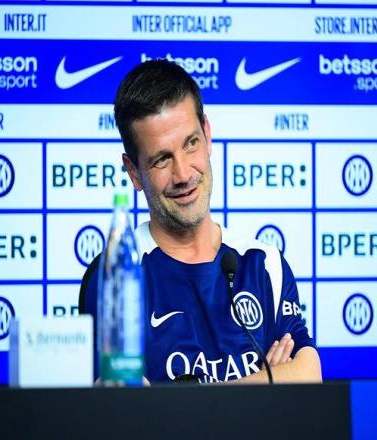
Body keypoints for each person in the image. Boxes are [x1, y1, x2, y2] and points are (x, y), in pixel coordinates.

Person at [80, 59, 322, 384]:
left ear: (207, 135)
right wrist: (266, 381)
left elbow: (308, 373)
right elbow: (125, 404)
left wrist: (179, 401)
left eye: (190, 143)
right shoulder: (117, 274)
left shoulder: (264, 264)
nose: (183, 174)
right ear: (134, 172)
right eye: (161, 159)